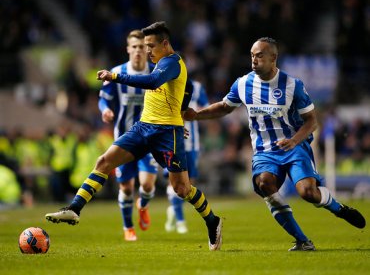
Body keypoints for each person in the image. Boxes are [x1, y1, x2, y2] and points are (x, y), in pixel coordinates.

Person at [45, 21, 222, 251]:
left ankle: (212, 220)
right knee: (104, 161)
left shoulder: (172, 62)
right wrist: (180, 111)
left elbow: (151, 82)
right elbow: (185, 88)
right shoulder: (161, 63)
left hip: (167, 133)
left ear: (165, 44)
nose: (147, 50)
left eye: (151, 45)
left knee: (182, 189)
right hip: (143, 127)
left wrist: (115, 76)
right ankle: (74, 209)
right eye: (144, 46)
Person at [183, 37, 366, 251]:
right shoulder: (243, 84)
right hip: (264, 152)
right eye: (252, 55)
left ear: (273, 58)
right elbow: (225, 107)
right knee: (264, 184)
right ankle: (302, 241)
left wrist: (294, 140)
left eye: (260, 55)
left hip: (295, 147)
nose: (254, 60)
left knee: (308, 192)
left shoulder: (292, 85)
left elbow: (312, 121)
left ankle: (339, 208)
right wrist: (195, 115)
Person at [97, 30, 158, 242]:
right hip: (124, 139)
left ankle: (143, 205)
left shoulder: (155, 72)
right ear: (128, 49)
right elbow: (103, 98)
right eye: (134, 47)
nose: (138, 51)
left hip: (150, 139)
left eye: (142, 47)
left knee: (148, 185)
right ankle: (128, 227)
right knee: (126, 187)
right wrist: (105, 110)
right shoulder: (117, 72)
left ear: (147, 49)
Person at [164, 78, 209, 234]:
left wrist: (195, 111)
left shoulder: (196, 86)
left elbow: (205, 107)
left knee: (189, 185)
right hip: (171, 141)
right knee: (174, 181)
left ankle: (174, 210)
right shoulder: (163, 84)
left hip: (192, 143)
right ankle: (181, 220)